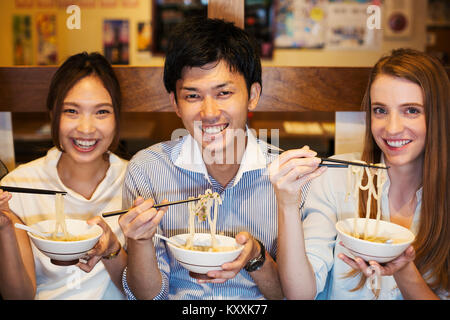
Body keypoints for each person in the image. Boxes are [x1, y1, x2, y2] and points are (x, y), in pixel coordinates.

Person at [118, 17, 289, 300]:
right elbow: (149, 296)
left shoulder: (287, 177)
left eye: (224, 93)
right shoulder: (147, 170)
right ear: (175, 103)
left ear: (253, 95)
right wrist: (139, 241)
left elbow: (292, 294)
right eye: (193, 96)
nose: (209, 112)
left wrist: (256, 257)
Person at [270, 48, 449, 299]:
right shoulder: (336, 179)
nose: (393, 128)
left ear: (438, 115)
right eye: (380, 110)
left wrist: (404, 270)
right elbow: (299, 292)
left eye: (411, 110)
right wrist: (286, 203)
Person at [0, 52, 128, 300]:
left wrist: (112, 251)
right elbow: (19, 295)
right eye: (71, 111)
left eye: (101, 112)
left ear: (117, 117)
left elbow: (150, 293)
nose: (86, 128)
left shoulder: (138, 181)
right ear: (53, 114)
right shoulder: (17, 187)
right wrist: (4, 228)